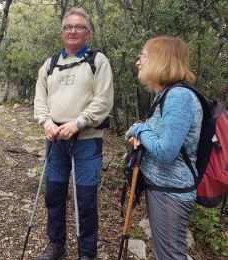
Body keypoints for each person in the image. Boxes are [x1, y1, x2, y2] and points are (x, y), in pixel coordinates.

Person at [34, 7, 114, 260]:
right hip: (55, 139)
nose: (72, 31)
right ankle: (56, 244)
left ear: (87, 32)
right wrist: (46, 123)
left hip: (87, 140)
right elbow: (39, 100)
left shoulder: (97, 61)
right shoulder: (50, 64)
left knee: (86, 198)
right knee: (54, 195)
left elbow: (103, 100)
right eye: (68, 27)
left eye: (78, 27)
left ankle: (86, 253)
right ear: (61, 32)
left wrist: (78, 123)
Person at [125, 36, 203, 259]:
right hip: (163, 188)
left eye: (143, 56)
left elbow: (166, 151)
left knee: (170, 256)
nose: (138, 62)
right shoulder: (166, 94)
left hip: (171, 192)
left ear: (160, 60)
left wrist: (140, 130)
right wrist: (140, 130)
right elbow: (156, 136)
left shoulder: (178, 96)